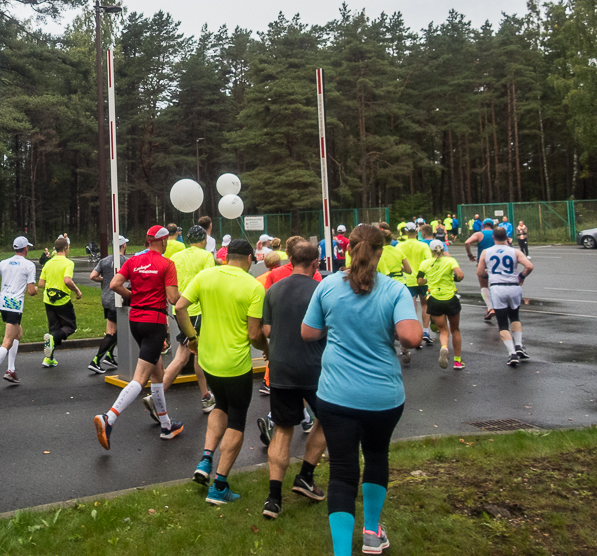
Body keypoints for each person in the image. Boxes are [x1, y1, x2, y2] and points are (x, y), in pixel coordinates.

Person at [302, 225, 422, 556]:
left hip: (335, 396)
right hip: (382, 397)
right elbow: (411, 337)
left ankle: (343, 552)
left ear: (348, 249)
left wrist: (337, 322)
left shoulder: (327, 286)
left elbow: (308, 332)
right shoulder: (395, 291)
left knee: (342, 471)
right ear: (381, 252)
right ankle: (371, 532)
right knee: (376, 456)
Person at [175, 238, 263, 505]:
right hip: (236, 365)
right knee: (236, 417)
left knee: (220, 406)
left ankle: (205, 460)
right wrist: (267, 348)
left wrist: (191, 337)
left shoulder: (205, 276)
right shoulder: (254, 286)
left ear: (226, 257)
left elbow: (179, 306)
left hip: (209, 361)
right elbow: (254, 334)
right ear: (249, 259)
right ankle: (219, 485)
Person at [93, 226, 183, 449]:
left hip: (135, 320)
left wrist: (133, 296)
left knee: (157, 371)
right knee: (140, 377)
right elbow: (172, 298)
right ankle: (109, 418)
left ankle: (166, 425)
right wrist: (186, 297)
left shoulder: (134, 261)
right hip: (155, 322)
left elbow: (114, 284)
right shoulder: (166, 264)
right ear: (163, 242)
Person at [259, 242, 328, 519]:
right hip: (315, 368)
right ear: (315, 263)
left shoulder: (273, 289)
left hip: (280, 369)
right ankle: (306, 476)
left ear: (290, 260)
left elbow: (266, 329)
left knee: (283, 430)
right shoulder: (320, 289)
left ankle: (273, 499)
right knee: (328, 420)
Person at [156, 225, 215, 413]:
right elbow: (209, 283)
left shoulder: (176, 256)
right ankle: (206, 397)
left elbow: (168, 279)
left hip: (178, 307)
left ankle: (157, 396)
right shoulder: (206, 256)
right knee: (195, 353)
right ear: (204, 239)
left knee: (182, 354)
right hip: (197, 309)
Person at [0, 236, 38, 391]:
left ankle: (11, 370)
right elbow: (32, 291)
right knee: (7, 341)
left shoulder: (4, 262)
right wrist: (36, 289)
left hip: (3, 303)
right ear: (26, 248)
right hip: (15, 304)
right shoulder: (29, 265)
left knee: (18, 334)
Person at [478, 227, 534, 367]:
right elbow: (529, 266)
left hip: (498, 288)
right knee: (515, 317)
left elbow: (480, 273)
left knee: (502, 323)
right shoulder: (515, 251)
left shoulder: (486, 252)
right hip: (514, 287)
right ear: (507, 237)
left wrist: (489, 271)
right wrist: (521, 275)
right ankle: (519, 345)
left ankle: (512, 353)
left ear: (493, 237)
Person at [417, 240, 466, 370]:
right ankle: (457, 361)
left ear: (431, 250)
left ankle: (444, 347)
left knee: (443, 330)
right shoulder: (450, 261)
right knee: (455, 329)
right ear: (443, 249)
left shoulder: (425, 263)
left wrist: (431, 278)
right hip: (450, 298)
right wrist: (453, 278)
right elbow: (460, 275)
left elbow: (420, 281)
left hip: (434, 299)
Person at [87, 236, 129, 373]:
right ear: (123, 246)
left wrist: (105, 280)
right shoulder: (126, 261)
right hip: (117, 298)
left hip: (105, 298)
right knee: (113, 333)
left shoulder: (104, 260)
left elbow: (92, 276)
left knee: (112, 330)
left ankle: (109, 356)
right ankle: (96, 360)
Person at [39, 236, 82, 367]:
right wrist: (77, 291)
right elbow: (67, 280)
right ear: (65, 248)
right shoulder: (68, 263)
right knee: (70, 326)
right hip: (62, 300)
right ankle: (52, 340)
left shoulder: (48, 263)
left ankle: (48, 358)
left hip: (48, 300)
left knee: (54, 328)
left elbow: (41, 284)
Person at [396, 222, 431, 363]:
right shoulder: (423, 245)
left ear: (405, 232)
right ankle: (426, 331)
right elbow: (428, 261)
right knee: (425, 305)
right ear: (416, 232)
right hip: (422, 279)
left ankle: (415, 334)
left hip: (407, 279)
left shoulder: (399, 246)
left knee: (411, 308)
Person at [464, 217, 497, 322]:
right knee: (495, 285)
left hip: (483, 263)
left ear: (483, 225)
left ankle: (490, 307)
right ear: (492, 225)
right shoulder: (497, 234)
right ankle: (498, 307)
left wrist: (470, 254)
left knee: (484, 285)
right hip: (496, 263)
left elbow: (467, 242)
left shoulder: (479, 234)